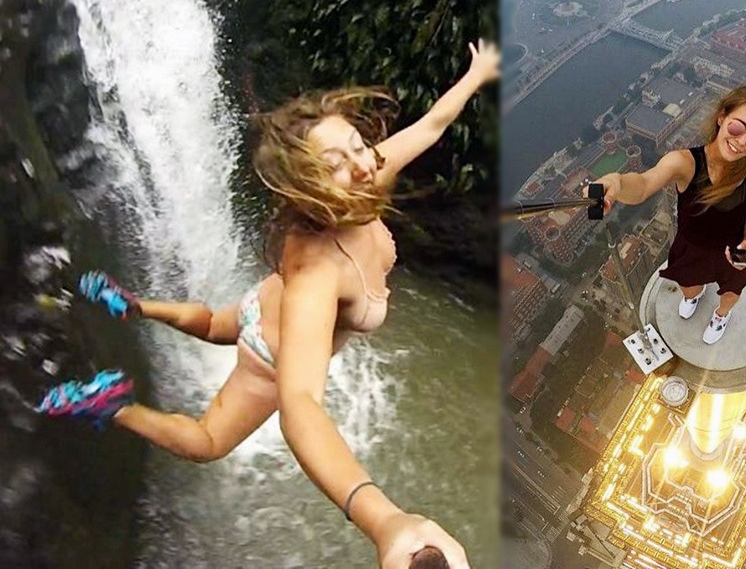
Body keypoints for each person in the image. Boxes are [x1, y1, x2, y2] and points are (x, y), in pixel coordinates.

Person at [37, 39, 501, 569]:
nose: (362, 165)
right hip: (272, 350)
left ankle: (134, 306)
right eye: (337, 164)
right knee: (207, 442)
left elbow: (430, 126)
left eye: (358, 146)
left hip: (264, 304)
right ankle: (113, 403)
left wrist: (475, 74)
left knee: (216, 324)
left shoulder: (364, 180)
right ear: (309, 185)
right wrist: (385, 521)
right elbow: (298, 404)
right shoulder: (318, 273)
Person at [591, 85, 746, 345]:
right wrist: (618, 182)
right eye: (738, 127)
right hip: (692, 248)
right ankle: (694, 296)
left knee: (731, 293)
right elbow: (644, 184)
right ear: (722, 117)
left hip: (733, 253)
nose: (742, 141)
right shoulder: (685, 163)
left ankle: (721, 315)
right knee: (689, 287)